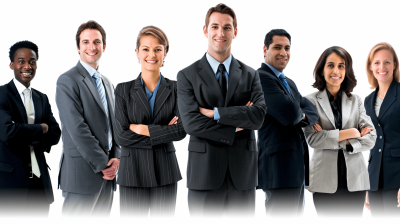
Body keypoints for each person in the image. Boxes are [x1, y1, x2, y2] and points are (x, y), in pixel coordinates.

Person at [177, 3, 267, 216]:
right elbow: (191, 123)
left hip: (243, 174)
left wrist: (216, 113)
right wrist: (235, 126)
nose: (220, 33)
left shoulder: (250, 74)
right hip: (204, 173)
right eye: (215, 26)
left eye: (227, 27)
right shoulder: (187, 75)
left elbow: (258, 117)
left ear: (235, 32)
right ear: (205, 30)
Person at [114, 26, 186, 217]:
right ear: (137, 52)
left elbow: (180, 131)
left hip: (166, 172)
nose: (151, 54)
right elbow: (121, 136)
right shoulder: (123, 90)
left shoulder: (178, 89)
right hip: (132, 173)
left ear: (165, 52)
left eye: (157, 49)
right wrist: (163, 132)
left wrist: (139, 128)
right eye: (145, 49)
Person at [56, 20, 120, 216]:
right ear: (77, 47)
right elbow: (77, 128)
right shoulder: (67, 81)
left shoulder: (108, 83)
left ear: (104, 46)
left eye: (97, 42)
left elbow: (115, 124)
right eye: (85, 42)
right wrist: (103, 164)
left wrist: (117, 157)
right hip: (82, 175)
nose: (91, 47)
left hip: (108, 177)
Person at [302, 46, 376, 217]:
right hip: (323, 182)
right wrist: (353, 132)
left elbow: (371, 138)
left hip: (356, 181)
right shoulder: (309, 101)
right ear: (322, 69)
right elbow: (313, 139)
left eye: (341, 66)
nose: (336, 71)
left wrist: (333, 138)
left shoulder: (356, 100)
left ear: (347, 70)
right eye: (330, 65)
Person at [257, 29, 318, 216]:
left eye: (287, 48)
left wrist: (302, 114)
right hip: (278, 168)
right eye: (277, 47)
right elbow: (291, 113)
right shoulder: (260, 78)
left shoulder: (288, 82)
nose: (283, 53)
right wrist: (300, 114)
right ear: (265, 49)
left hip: (295, 166)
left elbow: (312, 110)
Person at [0, 40, 61, 216]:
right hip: (11, 186)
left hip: (40, 183)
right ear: (12, 64)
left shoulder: (42, 98)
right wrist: (41, 128)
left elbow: (56, 133)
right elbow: (8, 132)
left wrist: (25, 133)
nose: (27, 66)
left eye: (32, 61)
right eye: (21, 61)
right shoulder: (2, 95)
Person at [364, 42, 400, 217]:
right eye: (377, 62)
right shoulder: (367, 101)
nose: (382, 67)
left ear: (395, 65)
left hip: (396, 177)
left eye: (387, 62)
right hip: (374, 179)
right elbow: (371, 143)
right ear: (371, 67)